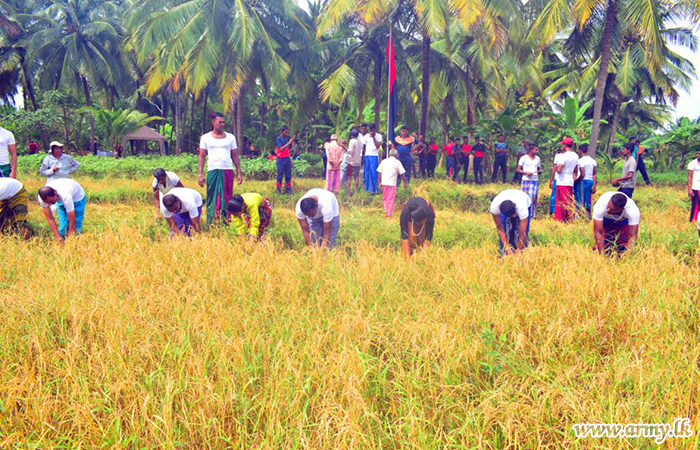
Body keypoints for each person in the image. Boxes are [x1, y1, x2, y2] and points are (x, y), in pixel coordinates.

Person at [198, 112, 243, 224]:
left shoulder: (231, 137)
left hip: (227, 170)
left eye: (223, 122)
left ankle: (226, 220)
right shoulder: (205, 138)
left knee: (226, 195)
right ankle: (212, 220)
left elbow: (235, 156)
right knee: (212, 195)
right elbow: (202, 156)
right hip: (212, 170)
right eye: (220, 122)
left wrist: (239, 173)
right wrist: (200, 174)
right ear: (213, 122)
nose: (222, 124)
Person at [37, 178, 86, 243]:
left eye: (51, 201)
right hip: (61, 197)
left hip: (77, 198)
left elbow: (72, 221)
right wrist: (58, 237)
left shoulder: (65, 196)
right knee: (62, 229)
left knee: (76, 227)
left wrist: (70, 239)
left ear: (55, 193)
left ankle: (77, 242)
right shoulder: (42, 199)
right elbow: (50, 218)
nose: (50, 204)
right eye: (47, 202)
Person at [490, 189, 532, 256]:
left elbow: (522, 233)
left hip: (524, 199)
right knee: (505, 228)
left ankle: (522, 253)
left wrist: (518, 251)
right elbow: (499, 228)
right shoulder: (495, 207)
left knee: (519, 230)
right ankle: (503, 254)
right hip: (505, 200)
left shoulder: (522, 208)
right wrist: (507, 248)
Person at [552, 137, 580, 222]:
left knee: (560, 200)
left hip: (562, 181)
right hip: (570, 180)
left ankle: (561, 218)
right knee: (568, 199)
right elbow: (575, 169)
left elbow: (559, 170)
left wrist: (555, 168)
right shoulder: (575, 155)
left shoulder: (563, 156)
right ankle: (569, 217)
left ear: (565, 145)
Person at [377, 149, 407, 217]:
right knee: (391, 198)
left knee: (385, 197)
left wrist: (379, 182)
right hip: (392, 183)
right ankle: (388, 213)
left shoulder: (384, 161)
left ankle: (385, 210)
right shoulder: (397, 162)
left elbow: (379, 172)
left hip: (384, 182)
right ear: (396, 155)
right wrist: (404, 182)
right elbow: (402, 173)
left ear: (389, 154)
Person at [517, 142, 541, 218]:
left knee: (533, 197)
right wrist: (525, 172)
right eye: (536, 150)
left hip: (534, 180)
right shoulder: (523, 158)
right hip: (525, 180)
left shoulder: (538, 158)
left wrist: (539, 171)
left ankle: (532, 214)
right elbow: (518, 169)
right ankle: (524, 213)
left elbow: (538, 169)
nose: (537, 151)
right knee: (524, 197)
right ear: (531, 150)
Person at [575, 144, 597, 217]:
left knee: (579, 198)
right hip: (590, 181)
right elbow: (594, 173)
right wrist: (594, 185)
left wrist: (576, 181)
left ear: (580, 150)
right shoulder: (593, 160)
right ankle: (588, 215)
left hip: (583, 181)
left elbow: (582, 173)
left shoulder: (580, 161)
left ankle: (579, 215)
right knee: (588, 198)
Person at [362, 124, 383, 193]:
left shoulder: (379, 136)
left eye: (373, 130)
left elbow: (377, 146)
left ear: (375, 130)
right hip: (367, 155)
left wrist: (373, 137)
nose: (372, 132)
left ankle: (374, 189)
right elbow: (364, 147)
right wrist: (363, 157)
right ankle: (367, 189)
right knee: (367, 173)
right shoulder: (365, 137)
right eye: (371, 130)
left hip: (374, 155)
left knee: (373, 172)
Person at [274, 125, 295, 194]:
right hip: (280, 159)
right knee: (280, 174)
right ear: (282, 132)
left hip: (287, 158)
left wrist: (290, 160)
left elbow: (286, 151)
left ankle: (288, 190)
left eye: (287, 132)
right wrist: (289, 143)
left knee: (288, 175)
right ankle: (278, 190)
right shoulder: (278, 139)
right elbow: (281, 149)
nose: (286, 133)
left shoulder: (286, 139)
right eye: (285, 132)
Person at [346, 128, 363, 194]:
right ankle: (356, 191)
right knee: (356, 176)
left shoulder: (352, 141)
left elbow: (350, 151)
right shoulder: (360, 141)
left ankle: (348, 191)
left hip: (351, 161)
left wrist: (345, 147)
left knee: (349, 177)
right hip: (358, 161)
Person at [687, 147, 700, 222]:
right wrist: (689, 189)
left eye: (699, 154)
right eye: (697, 153)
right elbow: (689, 177)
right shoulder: (692, 163)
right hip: (695, 187)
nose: (698, 155)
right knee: (695, 205)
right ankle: (693, 220)